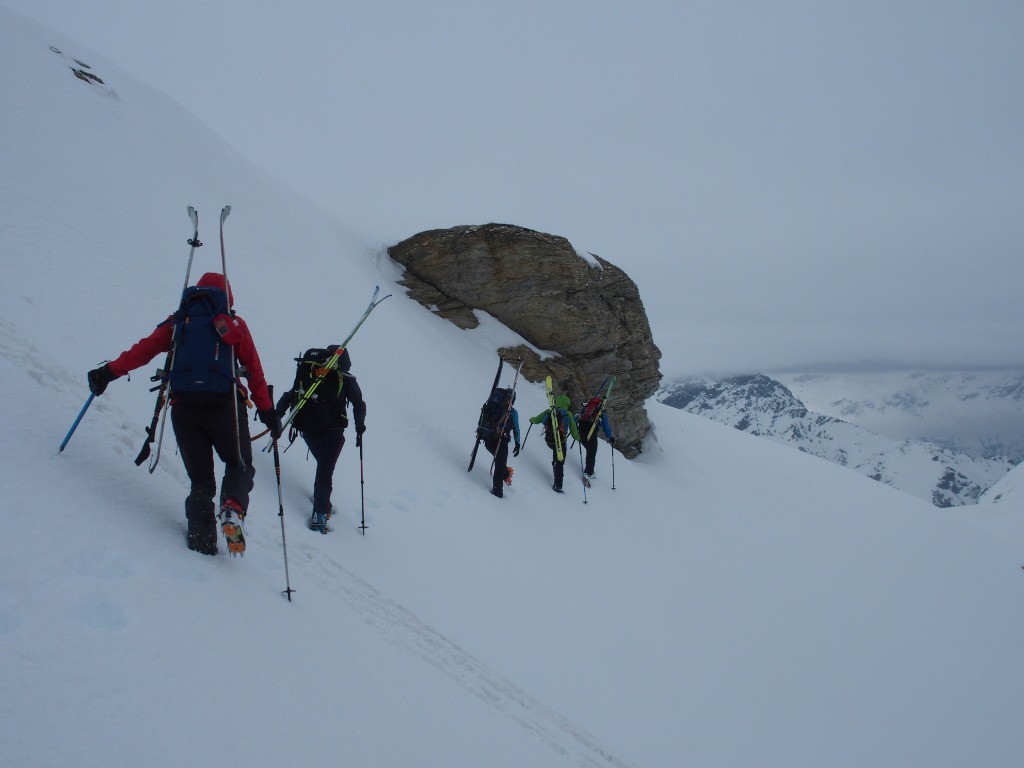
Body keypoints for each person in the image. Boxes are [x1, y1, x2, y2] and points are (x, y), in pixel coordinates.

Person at [87, 272, 281, 556]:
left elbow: (143, 351)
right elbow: (254, 371)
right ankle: (232, 508)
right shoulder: (234, 324)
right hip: (225, 407)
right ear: (227, 296)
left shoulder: (179, 322)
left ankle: (201, 546)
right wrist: (267, 411)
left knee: (201, 481)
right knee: (238, 464)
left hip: (184, 408)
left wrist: (108, 372)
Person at [275, 345, 366, 532]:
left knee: (324, 466)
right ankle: (320, 514)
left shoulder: (312, 374)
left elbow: (291, 394)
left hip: (308, 429)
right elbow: (358, 403)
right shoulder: (346, 379)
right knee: (325, 471)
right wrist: (359, 426)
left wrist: (276, 416)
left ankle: (323, 502)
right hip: (333, 432)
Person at [529, 394, 581, 493]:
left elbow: (536, 420)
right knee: (560, 462)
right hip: (561, 442)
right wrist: (579, 438)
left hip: (549, 440)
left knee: (556, 455)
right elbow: (574, 433)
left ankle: (554, 465)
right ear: (567, 404)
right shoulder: (568, 414)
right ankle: (558, 485)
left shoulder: (549, 411)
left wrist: (531, 420)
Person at [478, 387, 521, 499]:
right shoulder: (513, 412)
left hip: (488, 438)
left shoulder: (493, 406)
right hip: (501, 441)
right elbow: (516, 429)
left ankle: (506, 474)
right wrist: (517, 443)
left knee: (499, 462)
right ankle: (498, 492)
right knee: (500, 464)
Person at [576, 395, 616, 486]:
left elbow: (577, 417)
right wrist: (610, 437)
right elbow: (605, 426)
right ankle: (588, 473)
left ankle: (589, 470)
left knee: (589, 450)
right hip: (591, 431)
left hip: (581, 430)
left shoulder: (586, 407)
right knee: (592, 452)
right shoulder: (600, 411)